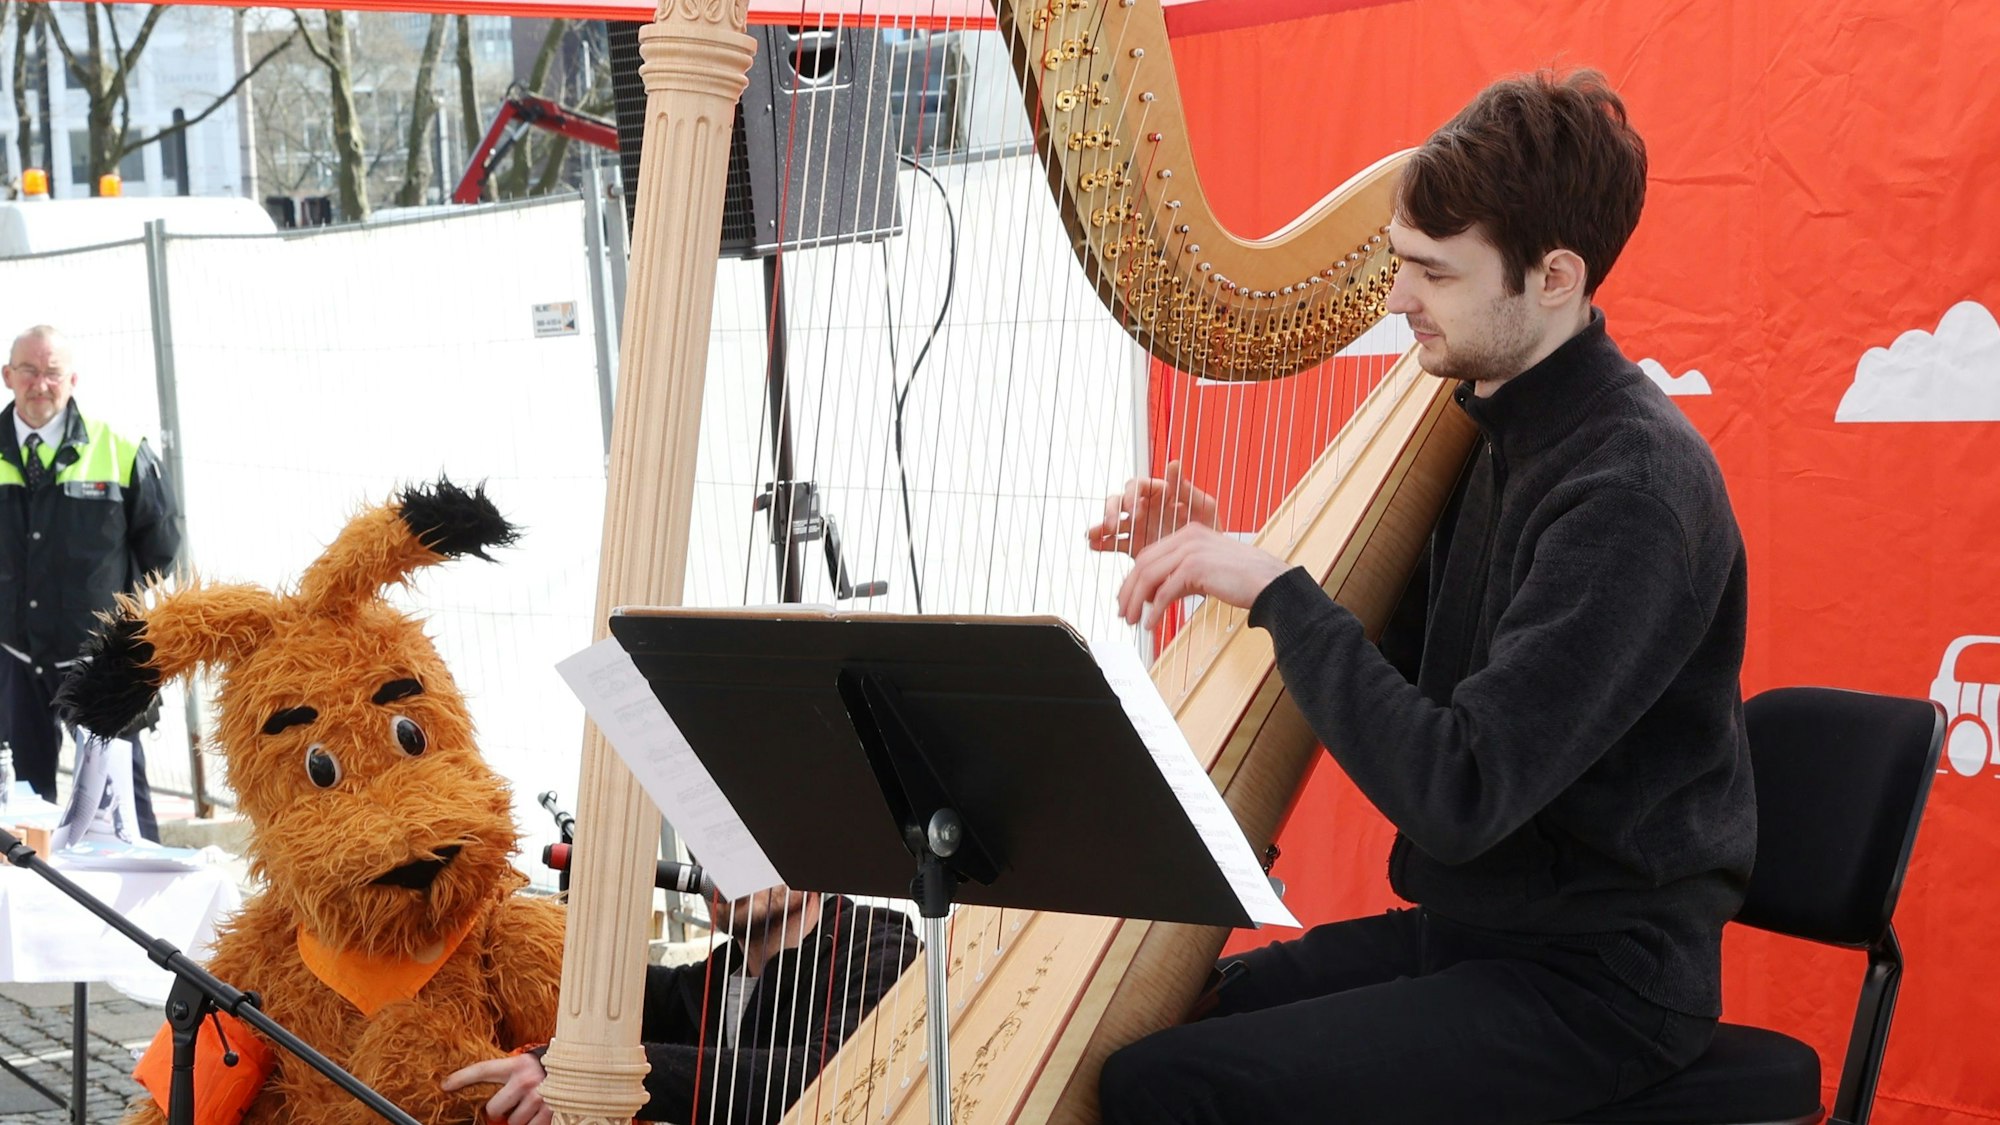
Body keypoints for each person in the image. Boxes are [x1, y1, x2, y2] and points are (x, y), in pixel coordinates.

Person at [1085, 69, 1755, 1124]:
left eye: (1430, 274)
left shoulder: (1628, 492)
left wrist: (1275, 594)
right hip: (1473, 937)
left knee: (1165, 1085)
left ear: (1552, 277)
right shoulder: (1483, 424)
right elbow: (1394, 661)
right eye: (1399, 264)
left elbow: (1459, 793)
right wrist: (1228, 561)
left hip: (1595, 984)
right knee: (1165, 1022)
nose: (1396, 300)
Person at [445, 885, 919, 1125]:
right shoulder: (710, 981)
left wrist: (591, 1072)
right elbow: (569, 981)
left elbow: (832, 1070)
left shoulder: (880, 946)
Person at [0, 325, 179, 840]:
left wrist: (121, 633)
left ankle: (138, 914)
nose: (40, 384)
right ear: (8, 375)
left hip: (96, 660)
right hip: (12, 662)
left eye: (52, 372)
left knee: (120, 813)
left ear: (72, 379)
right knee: (18, 811)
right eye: (29, 371)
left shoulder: (122, 450)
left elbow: (161, 551)